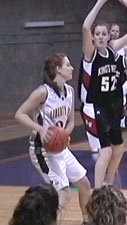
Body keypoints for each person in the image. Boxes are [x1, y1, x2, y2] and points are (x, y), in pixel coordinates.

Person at [79, 0, 127, 188]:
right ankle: (97, 190)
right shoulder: (90, 54)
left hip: (110, 106)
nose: (101, 36)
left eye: (104, 33)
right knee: (106, 151)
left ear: (109, 37)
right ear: (93, 37)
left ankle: (109, 185)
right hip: (94, 107)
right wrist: (101, 1)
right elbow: (85, 26)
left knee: (119, 149)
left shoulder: (113, 49)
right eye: (98, 34)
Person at [15, 53, 92, 224]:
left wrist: (66, 134)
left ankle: (87, 222)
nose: (72, 68)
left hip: (60, 149)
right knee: (63, 194)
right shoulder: (43, 92)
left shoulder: (70, 91)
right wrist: (40, 129)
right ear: (58, 69)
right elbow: (19, 114)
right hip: (43, 150)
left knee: (85, 185)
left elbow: (71, 121)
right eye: (67, 65)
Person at [110, 23, 127, 129]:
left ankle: (121, 119)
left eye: (116, 31)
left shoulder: (124, 48)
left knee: (122, 100)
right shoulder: (107, 46)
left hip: (122, 78)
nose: (114, 33)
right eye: (112, 31)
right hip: (110, 78)